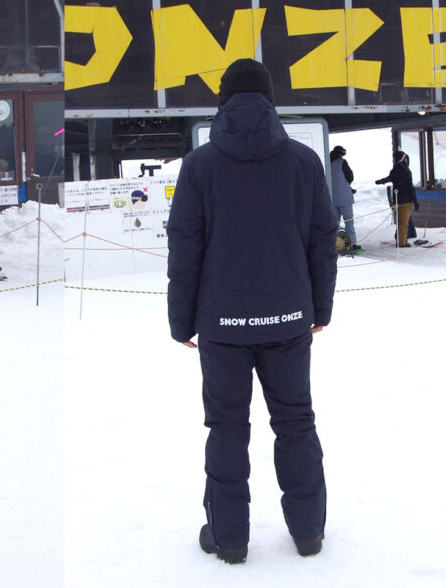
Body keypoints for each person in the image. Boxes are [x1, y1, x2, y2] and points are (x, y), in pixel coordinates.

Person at [167, 58, 337, 564]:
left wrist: (181, 321)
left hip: (222, 325)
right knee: (296, 422)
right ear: (270, 100)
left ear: (222, 101)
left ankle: (229, 538)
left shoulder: (199, 166)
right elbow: (322, 241)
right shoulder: (304, 162)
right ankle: (308, 532)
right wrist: (321, 308)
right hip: (288, 319)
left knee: (226, 427)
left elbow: (185, 248)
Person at [375, 150, 419, 247]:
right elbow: (410, 187)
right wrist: (415, 201)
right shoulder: (406, 171)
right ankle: (402, 242)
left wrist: (381, 181)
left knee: (400, 221)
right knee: (404, 222)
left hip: (397, 199)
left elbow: (389, 178)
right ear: (404, 159)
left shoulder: (394, 170)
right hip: (406, 200)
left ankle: (401, 239)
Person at [329, 145, 362, 252]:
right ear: (340, 154)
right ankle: (351, 244)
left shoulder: (327, 163)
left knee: (334, 224)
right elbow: (350, 177)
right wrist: (346, 187)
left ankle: (334, 245)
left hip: (332, 200)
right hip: (344, 199)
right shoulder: (342, 162)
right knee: (349, 222)